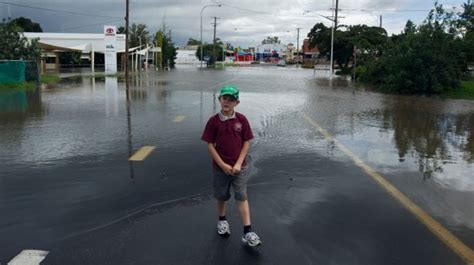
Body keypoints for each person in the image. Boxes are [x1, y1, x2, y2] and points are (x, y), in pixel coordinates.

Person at [201, 85, 262, 247]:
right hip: (220, 168)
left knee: (241, 196)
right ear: (220, 99)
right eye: (224, 98)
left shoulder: (241, 120)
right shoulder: (213, 121)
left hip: (239, 167)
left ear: (237, 102)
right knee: (222, 196)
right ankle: (222, 220)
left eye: (231, 99)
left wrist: (238, 163)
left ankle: (247, 231)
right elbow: (210, 145)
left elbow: (246, 143)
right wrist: (222, 164)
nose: (227, 101)